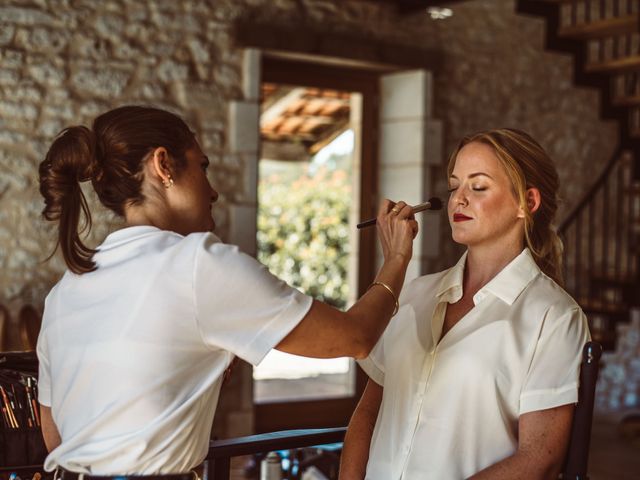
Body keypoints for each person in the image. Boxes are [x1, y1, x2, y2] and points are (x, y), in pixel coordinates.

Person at [36, 105, 419, 476]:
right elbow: (355, 338)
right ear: (163, 165)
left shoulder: (64, 291)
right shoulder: (199, 264)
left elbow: (55, 437)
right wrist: (398, 256)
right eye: (203, 167)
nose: (214, 190)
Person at [339, 128, 591, 480]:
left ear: (527, 203)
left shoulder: (554, 317)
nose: (458, 199)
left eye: (479, 186)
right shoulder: (413, 295)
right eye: (454, 186)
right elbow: (368, 413)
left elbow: (539, 460)